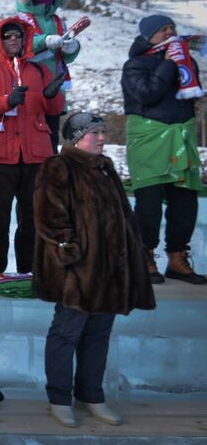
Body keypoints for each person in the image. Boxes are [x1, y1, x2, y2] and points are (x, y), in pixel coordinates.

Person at [33, 112, 156, 428]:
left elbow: (123, 216)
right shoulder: (59, 167)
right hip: (76, 272)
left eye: (102, 132)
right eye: (93, 133)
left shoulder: (105, 168)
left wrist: (131, 251)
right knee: (66, 334)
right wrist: (71, 252)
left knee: (99, 335)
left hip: (109, 271)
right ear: (75, 138)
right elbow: (49, 217)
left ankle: (91, 394)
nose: (101, 138)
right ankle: (59, 398)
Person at [0, 17, 66, 275]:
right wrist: (6, 101)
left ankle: (30, 269)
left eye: (18, 36)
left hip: (35, 155)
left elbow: (54, 110)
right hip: (0, 155)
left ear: (25, 40)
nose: (13, 39)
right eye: (7, 35)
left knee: (33, 217)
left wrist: (55, 95)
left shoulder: (40, 71)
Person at [122, 14, 206, 285]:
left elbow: (192, 93)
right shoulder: (134, 65)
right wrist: (169, 63)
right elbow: (146, 94)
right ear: (149, 36)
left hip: (180, 136)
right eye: (163, 29)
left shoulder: (186, 61)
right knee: (149, 204)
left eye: (173, 28)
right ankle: (144, 257)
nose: (170, 32)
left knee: (185, 202)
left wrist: (178, 62)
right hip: (149, 138)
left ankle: (177, 259)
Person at [15, 0, 81, 152]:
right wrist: (44, 41)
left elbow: (65, 58)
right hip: (29, 88)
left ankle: (48, 174)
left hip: (55, 88)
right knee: (29, 138)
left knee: (50, 139)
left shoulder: (58, 21)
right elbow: (18, 47)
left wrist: (72, 48)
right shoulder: (20, 19)